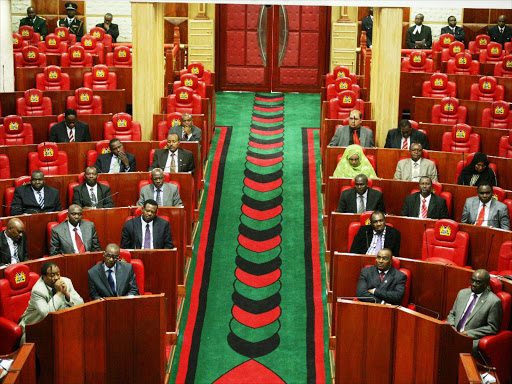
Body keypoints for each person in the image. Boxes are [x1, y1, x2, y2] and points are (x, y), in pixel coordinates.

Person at [19, 261, 83, 344]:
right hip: (35, 325)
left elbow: (81, 303)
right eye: (52, 275)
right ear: (44, 277)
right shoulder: (38, 290)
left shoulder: (66, 282)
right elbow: (47, 314)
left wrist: (66, 293)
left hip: (58, 323)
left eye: (58, 274)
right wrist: (59, 293)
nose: (56, 278)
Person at [447, 269, 502, 355]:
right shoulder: (462, 293)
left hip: (470, 339)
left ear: (487, 284)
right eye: (472, 280)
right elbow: (452, 314)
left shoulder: (494, 302)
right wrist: (451, 326)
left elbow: (492, 328)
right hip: (453, 333)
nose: (473, 284)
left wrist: (468, 333)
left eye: (478, 282)